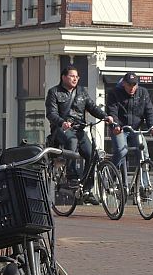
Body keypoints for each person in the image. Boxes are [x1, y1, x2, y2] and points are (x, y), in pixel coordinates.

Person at [45, 66, 114, 203]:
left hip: (79, 128)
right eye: (71, 76)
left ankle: (87, 189)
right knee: (72, 141)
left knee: (92, 154)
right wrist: (61, 122)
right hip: (61, 129)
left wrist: (106, 116)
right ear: (63, 77)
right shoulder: (54, 92)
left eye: (77, 76)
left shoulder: (82, 91)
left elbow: (92, 107)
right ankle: (72, 176)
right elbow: (51, 113)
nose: (75, 78)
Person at [105, 72, 153, 174]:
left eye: (134, 85)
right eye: (129, 85)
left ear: (137, 84)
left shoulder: (143, 93)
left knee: (144, 154)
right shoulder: (114, 93)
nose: (132, 88)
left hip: (135, 129)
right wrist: (115, 125)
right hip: (120, 129)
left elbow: (149, 111)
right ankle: (112, 174)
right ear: (123, 84)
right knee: (122, 151)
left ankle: (145, 185)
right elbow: (112, 111)